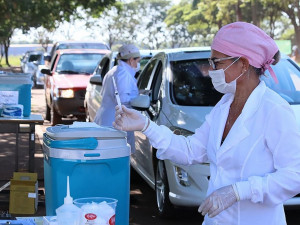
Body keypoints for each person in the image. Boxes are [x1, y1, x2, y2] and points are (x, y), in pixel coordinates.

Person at [113, 22, 300, 225]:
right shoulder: (225, 104)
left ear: (244, 64)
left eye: (216, 63)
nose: (210, 70)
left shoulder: (274, 110)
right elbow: (191, 150)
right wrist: (146, 126)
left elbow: (294, 176)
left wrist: (240, 191)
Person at [94, 44, 141, 153]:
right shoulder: (123, 74)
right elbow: (123, 100)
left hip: (107, 121)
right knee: (115, 159)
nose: (138, 64)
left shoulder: (114, 71)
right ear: (130, 60)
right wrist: (140, 98)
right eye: (137, 61)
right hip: (113, 124)